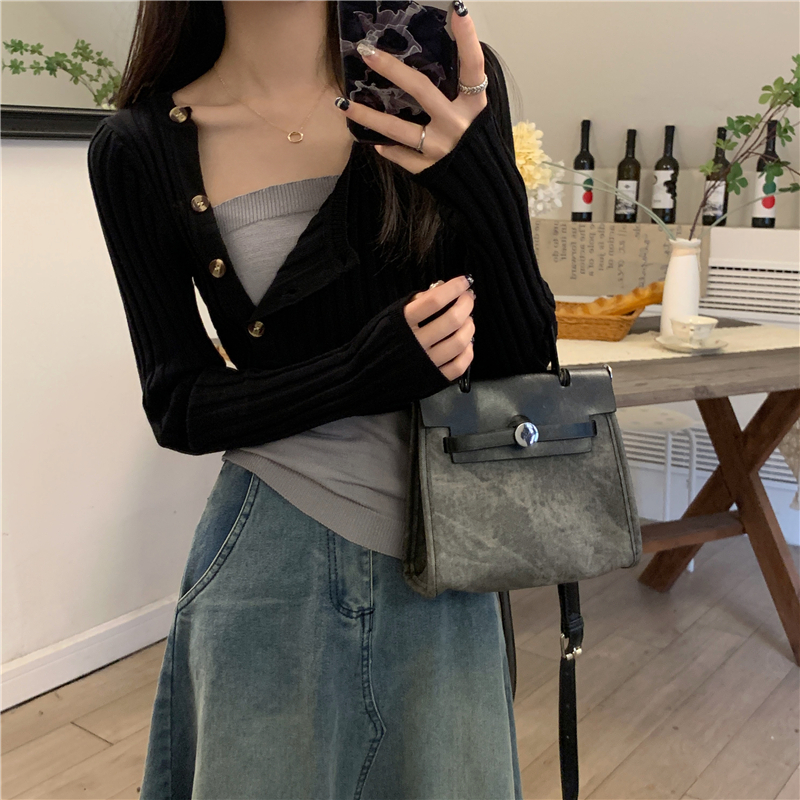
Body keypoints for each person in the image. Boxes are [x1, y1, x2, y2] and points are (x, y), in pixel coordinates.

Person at [88, 1, 558, 797]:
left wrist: (479, 179)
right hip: (267, 556)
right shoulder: (138, 147)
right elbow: (178, 403)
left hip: (445, 551)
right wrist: (359, 373)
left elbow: (523, 360)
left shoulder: (438, 86)